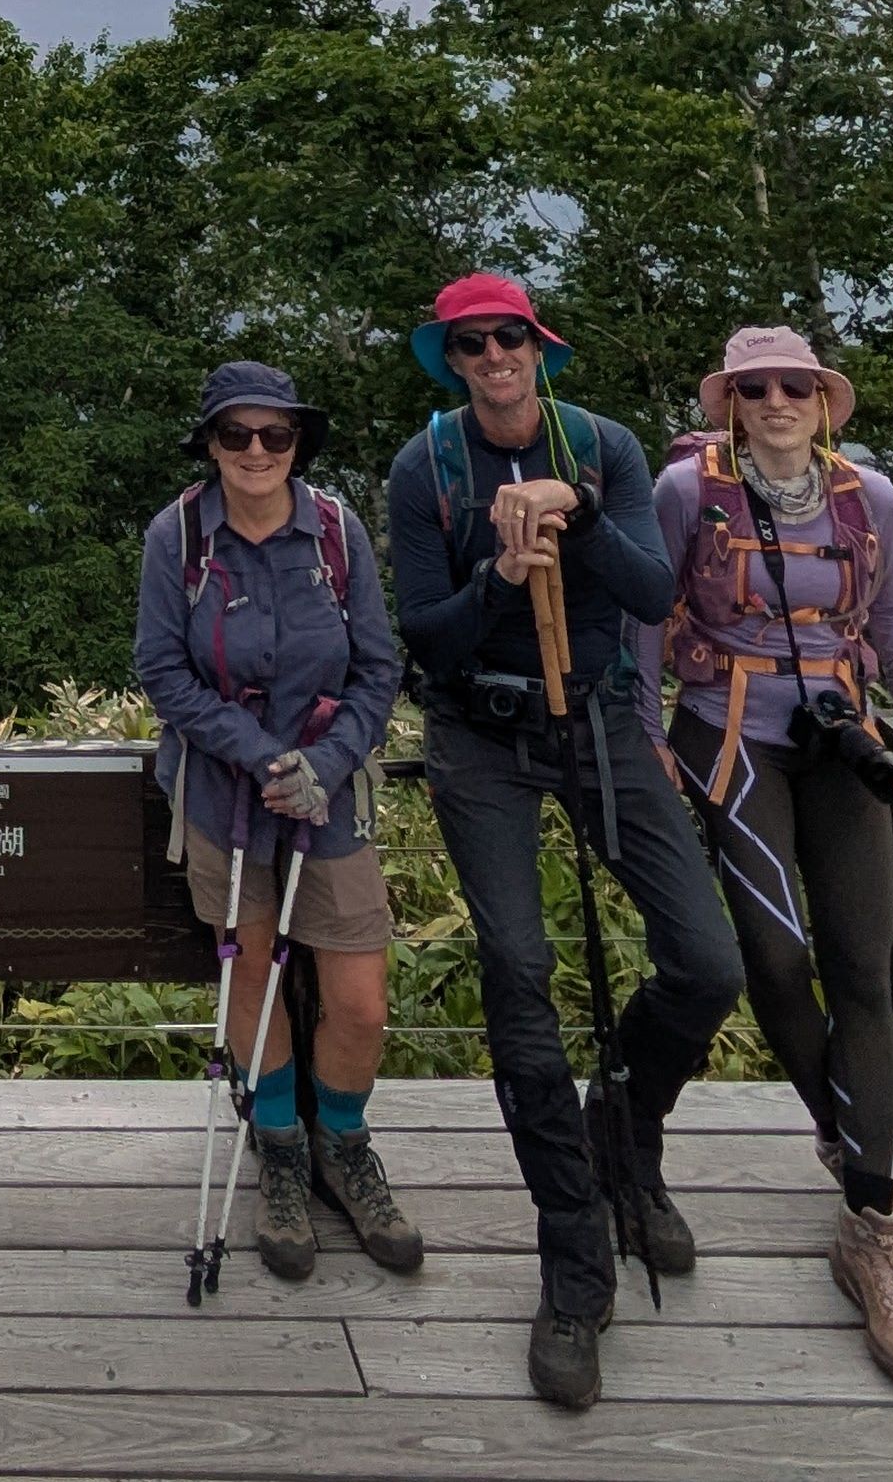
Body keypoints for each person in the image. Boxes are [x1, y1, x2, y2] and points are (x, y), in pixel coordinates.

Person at [379, 273, 748, 1410]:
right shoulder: (424, 467)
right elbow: (424, 643)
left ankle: (622, 1133)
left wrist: (575, 517)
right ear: (450, 360)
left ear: (539, 348)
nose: (493, 357)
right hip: (480, 731)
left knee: (705, 961)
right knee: (520, 973)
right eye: (470, 344)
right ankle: (574, 1257)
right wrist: (499, 574)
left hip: (594, 718)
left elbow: (646, 592)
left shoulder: (606, 448)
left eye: (509, 339)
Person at [650, 324, 893, 1392]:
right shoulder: (684, 494)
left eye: (796, 385)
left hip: (841, 733)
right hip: (726, 729)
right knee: (775, 957)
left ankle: (868, 1219)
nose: (779, 400)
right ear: (732, 404)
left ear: (823, 399)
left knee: (861, 968)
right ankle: (863, 1167)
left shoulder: (868, 497)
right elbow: (643, 615)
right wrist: (641, 732)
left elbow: (890, 611)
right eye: (757, 388)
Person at [134, 357, 410, 1289]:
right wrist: (259, 755)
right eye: (235, 434)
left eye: (275, 434)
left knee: (360, 997)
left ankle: (345, 1139)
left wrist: (324, 765)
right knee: (251, 970)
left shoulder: (338, 533)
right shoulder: (177, 537)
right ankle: (282, 1149)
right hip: (223, 790)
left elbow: (378, 666)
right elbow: (163, 672)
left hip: (329, 794)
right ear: (210, 445)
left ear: (297, 444)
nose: (256, 451)